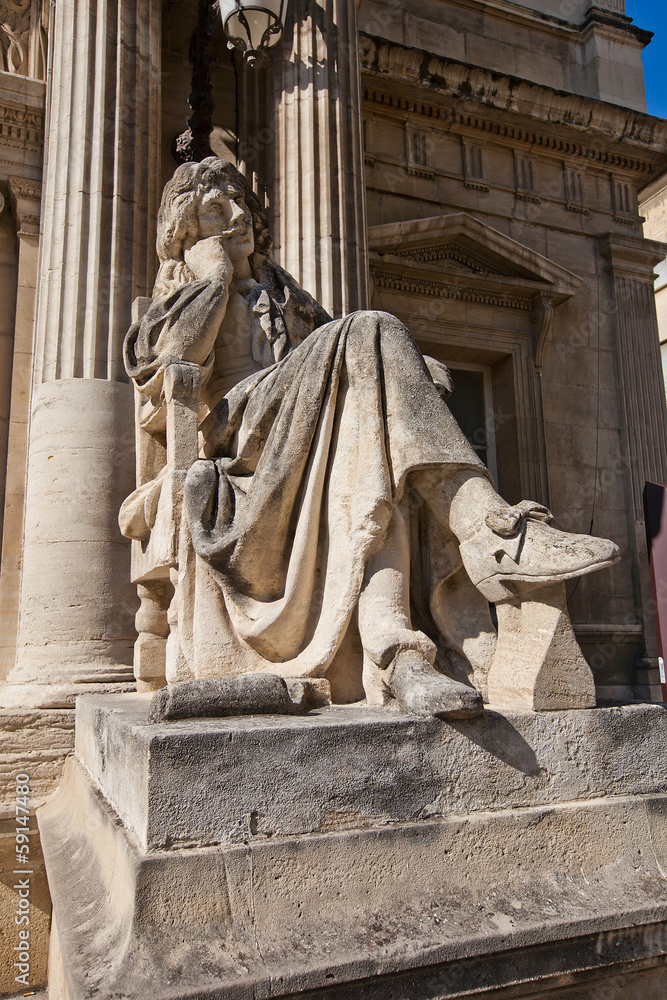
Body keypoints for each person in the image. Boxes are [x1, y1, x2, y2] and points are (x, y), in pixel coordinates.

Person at [120, 158, 619, 717]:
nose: (237, 215)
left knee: (373, 441)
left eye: (240, 202)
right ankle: (496, 535)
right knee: (372, 329)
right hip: (240, 438)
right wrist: (213, 279)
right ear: (187, 230)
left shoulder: (285, 294)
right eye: (216, 209)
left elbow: (345, 349)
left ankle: (396, 653)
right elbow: (169, 366)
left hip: (306, 428)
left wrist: (408, 372)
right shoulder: (176, 299)